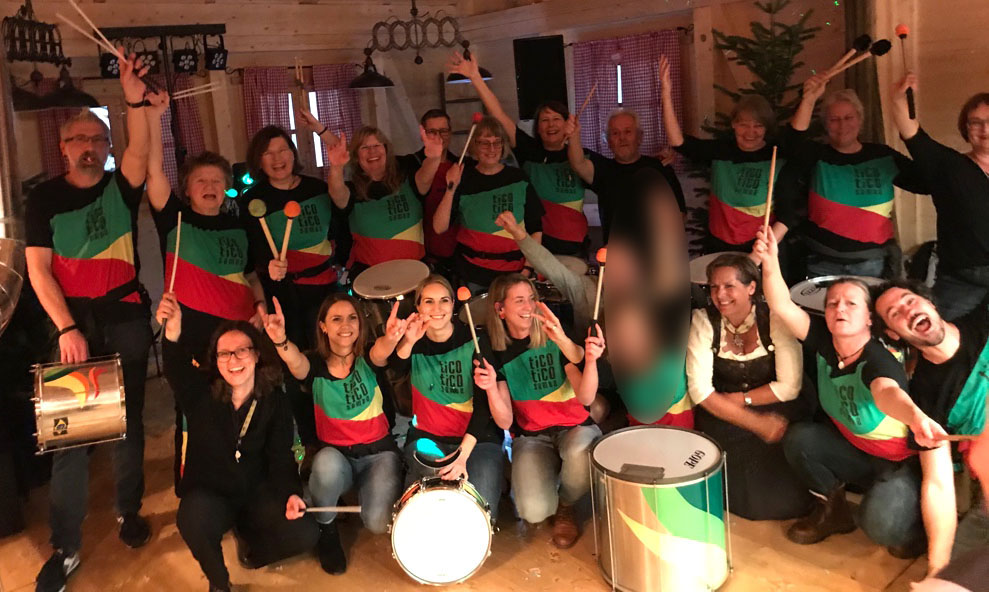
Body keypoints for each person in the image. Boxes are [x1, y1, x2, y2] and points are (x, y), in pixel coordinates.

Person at [26, 51, 155, 592]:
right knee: (71, 435)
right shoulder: (43, 198)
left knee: (127, 421)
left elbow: (141, 148)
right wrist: (66, 328)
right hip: (72, 324)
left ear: (107, 148)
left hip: (125, 315)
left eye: (99, 140)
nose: (89, 147)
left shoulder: (120, 186)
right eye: (79, 139)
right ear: (63, 147)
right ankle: (66, 546)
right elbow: (38, 270)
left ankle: (128, 510)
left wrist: (133, 100)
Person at [753, 226, 944, 557]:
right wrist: (770, 261)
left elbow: (887, 392)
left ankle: (913, 519)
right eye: (832, 304)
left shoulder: (879, 361)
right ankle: (834, 512)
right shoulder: (826, 342)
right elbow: (782, 306)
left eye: (851, 304)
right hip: (858, 452)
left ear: (869, 318)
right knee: (801, 439)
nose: (839, 309)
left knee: (881, 527)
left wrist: (915, 417)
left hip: (898, 463)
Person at [146, 94, 269, 488]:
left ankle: (249, 476)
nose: (210, 186)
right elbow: (153, 172)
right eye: (201, 180)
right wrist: (154, 119)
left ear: (227, 188)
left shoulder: (239, 225)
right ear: (187, 188)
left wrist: (261, 307)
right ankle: (196, 485)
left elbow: (250, 276)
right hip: (193, 340)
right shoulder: (174, 219)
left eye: (218, 181)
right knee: (195, 412)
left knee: (247, 407)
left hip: (241, 333)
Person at [157, 293, 318, 592]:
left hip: (256, 492)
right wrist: (173, 330)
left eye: (241, 351)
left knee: (305, 533)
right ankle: (219, 583)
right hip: (212, 493)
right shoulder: (200, 393)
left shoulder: (274, 399)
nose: (233, 360)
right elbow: (176, 368)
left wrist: (291, 494)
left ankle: (251, 547)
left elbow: (281, 456)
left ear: (256, 355)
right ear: (215, 360)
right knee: (192, 521)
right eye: (224, 353)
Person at [263, 293, 403, 575]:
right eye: (336, 319)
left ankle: (353, 492)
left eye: (352, 318)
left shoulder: (368, 357)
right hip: (337, 456)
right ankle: (326, 530)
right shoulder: (314, 364)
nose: (346, 325)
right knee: (325, 465)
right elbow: (295, 361)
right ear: (323, 326)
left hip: (379, 454)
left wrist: (391, 337)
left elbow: (382, 351)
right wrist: (280, 340)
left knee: (377, 522)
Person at [874, 280, 989, 575]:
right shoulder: (923, 398)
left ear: (930, 303)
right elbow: (938, 483)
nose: (907, 310)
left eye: (909, 300)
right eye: (894, 313)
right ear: (894, 334)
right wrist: (937, 567)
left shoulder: (984, 317)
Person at [685, 254, 812, 520]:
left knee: (781, 478)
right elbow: (700, 391)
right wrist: (755, 422)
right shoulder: (703, 321)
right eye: (714, 287)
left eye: (729, 286)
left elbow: (788, 387)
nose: (720, 295)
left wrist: (743, 400)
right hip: (722, 409)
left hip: (771, 403)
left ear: (751, 287)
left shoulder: (774, 318)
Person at [242, 124, 344, 448]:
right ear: (259, 160)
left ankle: (339, 432)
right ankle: (311, 442)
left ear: (294, 153)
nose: (277, 159)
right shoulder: (252, 201)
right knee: (293, 367)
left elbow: (340, 230)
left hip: (324, 290)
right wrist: (266, 266)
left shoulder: (318, 189)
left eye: (283, 150)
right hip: (282, 297)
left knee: (330, 361)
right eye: (268, 153)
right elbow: (251, 256)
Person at [374, 275, 506, 521]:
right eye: (428, 301)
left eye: (444, 300)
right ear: (418, 307)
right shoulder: (413, 342)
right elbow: (393, 372)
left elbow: (483, 407)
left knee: (482, 515)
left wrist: (462, 456)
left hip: (478, 440)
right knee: (437, 496)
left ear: (453, 304)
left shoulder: (476, 341)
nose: (437, 308)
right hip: (428, 438)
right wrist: (408, 341)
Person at [484, 273, 600, 549]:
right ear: (500, 309)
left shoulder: (553, 334)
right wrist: (490, 388)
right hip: (532, 436)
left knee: (580, 452)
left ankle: (567, 505)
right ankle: (531, 474)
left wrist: (589, 358)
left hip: (574, 427)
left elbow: (586, 397)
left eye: (532, 298)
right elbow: (505, 420)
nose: (529, 306)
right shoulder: (493, 349)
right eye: (519, 301)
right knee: (533, 512)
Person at [660, 55, 817, 253]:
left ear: (766, 128)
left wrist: (809, 99)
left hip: (760, 251)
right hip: (719, 247)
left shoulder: (777, 155)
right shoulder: (720, 151)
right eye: (743, 124)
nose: (750, 132)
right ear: (734, 124)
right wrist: (666, 95)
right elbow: (678, 142)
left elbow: (797, 134)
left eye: (758, 125)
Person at [775, 80, 929, 278]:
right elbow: (792, 142)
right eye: (834, 119)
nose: (842, 125)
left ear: (860, 120)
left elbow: (924, 182)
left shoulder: (882, 156)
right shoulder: (816, 155)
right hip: (821, 262)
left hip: (872, 264)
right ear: (825, 124)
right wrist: (809, 99)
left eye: (849, 117)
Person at [448, 51, 588, 255]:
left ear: (568, 123)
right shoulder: (527, 149)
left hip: (574, 248)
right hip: (533, 247)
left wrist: (575, 138)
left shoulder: (581, 157)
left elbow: (581, 164)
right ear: (537, 127)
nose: (551, 125)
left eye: (557, 119)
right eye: (544, 120)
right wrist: (475, 78)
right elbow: (498, 114)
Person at [890, 74, 989, 320]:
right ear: (966, 128)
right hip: (961, 282)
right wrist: (899, 98)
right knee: (940, 340)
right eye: (976, 122)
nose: (985, 129)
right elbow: (914, 135)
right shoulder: (950, 167)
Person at [434, 117, 544, 292]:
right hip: (473, 273)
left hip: (516, 271)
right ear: (474, 146)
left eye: (496, 142)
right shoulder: (463, 179)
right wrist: (451, 187)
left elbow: (535, 228)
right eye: (484, 143)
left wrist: (528, 268)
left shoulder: (518, 178)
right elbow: (439, 227)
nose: (491, 149)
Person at [566, 109, 686, 245]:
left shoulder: (660, 168)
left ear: (639, 137)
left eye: (628, 132)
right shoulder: (603, 170)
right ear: (608, 141)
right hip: (616, 253)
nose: (622, 138)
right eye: (615, 133)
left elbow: (680, 215)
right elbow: (578, 163)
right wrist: (574, 135)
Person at [326, 125, 430, 276]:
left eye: (376, 145)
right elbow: (336, 192)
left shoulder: (408, 180)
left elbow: (427, 176)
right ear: (356, 156)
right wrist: (336, 167)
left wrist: (434, 157)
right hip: (370, 278)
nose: (372, 151)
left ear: (386, 150)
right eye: (364, 147)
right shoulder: (352, 190)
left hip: (415, 273)